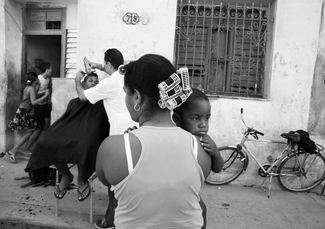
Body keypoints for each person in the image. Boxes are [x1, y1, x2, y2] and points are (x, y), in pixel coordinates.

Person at [96, 54, 223, 229]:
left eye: (126, 93)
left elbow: (108, 181)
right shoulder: (200, 150)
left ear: (137, 97)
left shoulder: (112, 148)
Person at [74, 48, 137, 229]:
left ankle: (111, 220)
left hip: (120, 135)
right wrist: (99, 66)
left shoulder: (109, 83)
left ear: (109, 64)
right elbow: (117, 68)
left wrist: (78, 80)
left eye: (105, 64)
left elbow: (82, 96)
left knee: (114, 181)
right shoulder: (128, 74)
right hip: (137, 130)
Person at [25, 72, 109, 200]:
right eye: (90, 81)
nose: (94, 83)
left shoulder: (102, 103)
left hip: (89, 136)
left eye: (96, 82)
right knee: (47, 141)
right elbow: (66, 122)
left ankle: (82, 179)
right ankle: (66, 175)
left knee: (83, 144)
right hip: (73, 133)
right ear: (82, 83)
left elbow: (100, 127)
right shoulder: (74, 102)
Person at [173, 88, 224, 229]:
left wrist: (215, 153)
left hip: (192, 196)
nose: (203, 124)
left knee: (202, 210)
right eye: (196, 118)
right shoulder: (173, 137)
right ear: (177, 119)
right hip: (172, 197)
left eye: (207, 118)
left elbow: (218, 168)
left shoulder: (206, 141)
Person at [3, 72, 49, 163]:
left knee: (33, 130)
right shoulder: (31, 88)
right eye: (37, 79)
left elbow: (34, 95)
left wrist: (39, 86)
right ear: (35, 79)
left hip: (24, 110)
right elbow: (34, 102)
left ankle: (16, 150)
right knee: (32, 130)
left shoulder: (28, 88)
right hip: (25, 111)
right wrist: (45, 95)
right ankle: (14, 151)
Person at [24, 62, 53, 155]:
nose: (52, 70)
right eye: (51, 68)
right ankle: (28, 148)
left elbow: (47, 90)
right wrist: (45, 94)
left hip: (44, 104)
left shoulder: (48, 79)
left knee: (47, 122)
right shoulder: (38, 79)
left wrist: (48, 99)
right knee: (36, 128)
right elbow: (34, 95)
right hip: (37, 106)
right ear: (47, 70)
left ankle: (39, 144)